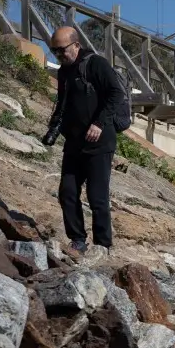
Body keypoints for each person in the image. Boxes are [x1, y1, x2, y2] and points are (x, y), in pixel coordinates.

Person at [43, 26, 125, 259]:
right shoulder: (64, 72)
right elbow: (63, 103)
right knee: (67, 192)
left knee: (97, 197)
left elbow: (116, 94)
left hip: (100, 142)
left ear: (76, 45)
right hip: (74, 142)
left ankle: (103, 245)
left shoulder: (95, 64)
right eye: (54, 51)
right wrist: (54, 127)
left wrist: (99, 123)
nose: (59, 55)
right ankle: (77, 240)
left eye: (62, 50)